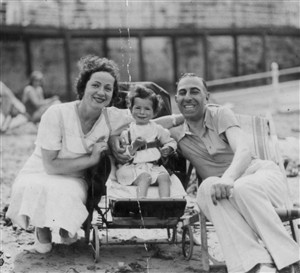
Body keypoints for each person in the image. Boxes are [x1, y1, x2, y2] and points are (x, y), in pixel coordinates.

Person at [6, 55, 182, 254]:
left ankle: (65, 227)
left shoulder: (112, 116)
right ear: (83, 87)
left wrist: (183, 117)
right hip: (42, 171)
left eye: (108, 88)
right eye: (95, 85)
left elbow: (151, 122)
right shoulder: (56, 114)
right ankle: (42, 228)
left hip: (75, 176)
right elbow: (50, 166)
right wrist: (91, 159)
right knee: (40, 190)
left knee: (70, 193)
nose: (101, 92)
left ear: (112, 94)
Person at [169, 73, 299, 273]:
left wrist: (229, 178)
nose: (188, 97)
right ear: (176, 99)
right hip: (224, 194)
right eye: (182, 93)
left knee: (241, 187)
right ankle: (257, 266)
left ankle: (289, 261)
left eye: (195, 92)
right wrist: (181, 115)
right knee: (207, 187)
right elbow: (139, 123)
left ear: (207, 97)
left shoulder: (220, 114)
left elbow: (244, 150)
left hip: (258, 176)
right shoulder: (176, 132)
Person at [116, 86, 177, 198]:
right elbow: (123, 156)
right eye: (138, 108)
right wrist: (134, 146)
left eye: (147, 109)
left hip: (153, 167)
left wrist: (168, 148)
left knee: (164, 177)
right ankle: (142, 203)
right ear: (131, 109)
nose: (142, 112)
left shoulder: (157, 129)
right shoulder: (127, 132)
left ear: (154, 112)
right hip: (132, 168)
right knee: (145, 177)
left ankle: (166, 203)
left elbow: (171, 142)